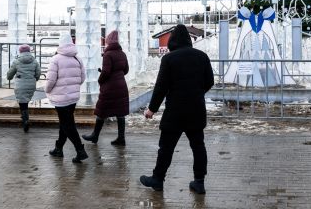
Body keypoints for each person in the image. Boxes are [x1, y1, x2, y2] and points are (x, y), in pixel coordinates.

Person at [140, 24, 214, 194]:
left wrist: (152, 109)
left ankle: (158, 179)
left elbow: (161, 87)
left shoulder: (169, 59)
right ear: (188, 40)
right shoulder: (202, 56)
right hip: (196, 110)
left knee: (166, 147)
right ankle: (199, 182)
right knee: (198, 146)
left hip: (175, 111)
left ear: (173, 41)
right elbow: (209, 81)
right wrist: (196, 93)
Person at [45, 32, 88, 163]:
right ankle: (58, 148)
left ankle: (80, 150)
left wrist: (47, 90)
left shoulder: (56, 59)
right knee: (65, 123)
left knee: (67, 125)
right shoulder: (77, 58)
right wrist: (73, 87)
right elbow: (82, 78)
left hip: (60, 99)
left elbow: (50, 80)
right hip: (72, 98)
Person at [82, 30, 130, 146]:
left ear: (108, 42)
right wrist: (117, 74)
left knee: (101, 110)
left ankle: (95, 136)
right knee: (120, 113)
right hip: (121, 85)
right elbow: (126, 70)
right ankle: (121, 138)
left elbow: (106, 72)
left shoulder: (108, 54)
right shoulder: (122, 54)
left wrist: (100, 80)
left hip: (110, 87)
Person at [6, 44, 41, 133]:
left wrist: (9, 78)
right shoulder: (34, 61)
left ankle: (25, 119)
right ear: (29, 51)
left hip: (20, 84)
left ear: (20, 51)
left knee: (22, 102)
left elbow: (10, 74)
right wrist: (34, 79)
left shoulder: (16, 61)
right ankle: (25, 118)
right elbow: (38, 73)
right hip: (31, 84)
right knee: (25, 101)